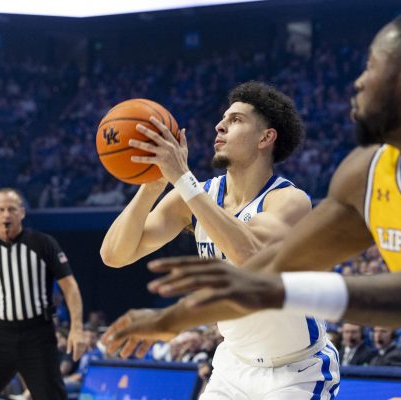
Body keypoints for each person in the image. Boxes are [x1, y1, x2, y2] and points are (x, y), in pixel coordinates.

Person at [104, 6, 401, 400]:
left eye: (370, 66)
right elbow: (270, 267)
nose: (359, 81)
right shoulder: (365, 175)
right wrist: (167, 320)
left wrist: (287, 291)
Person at [100, 82, 340, 398]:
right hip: (233, 367)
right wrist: (153, 184)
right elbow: (115, 254)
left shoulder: (289, 200)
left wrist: (183, 180)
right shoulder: (197, 195)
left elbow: (252, 258)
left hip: (296, 371)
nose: (220, 125)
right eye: (223, 118)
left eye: (236, 119)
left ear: (266, 138)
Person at [0, 188, 87, 400]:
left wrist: (77, 328)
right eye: (1, 210)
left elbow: (70, 287)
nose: (6, 215)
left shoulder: (43, 243)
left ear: (22, 213)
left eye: (12, 209)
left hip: (37, 335)